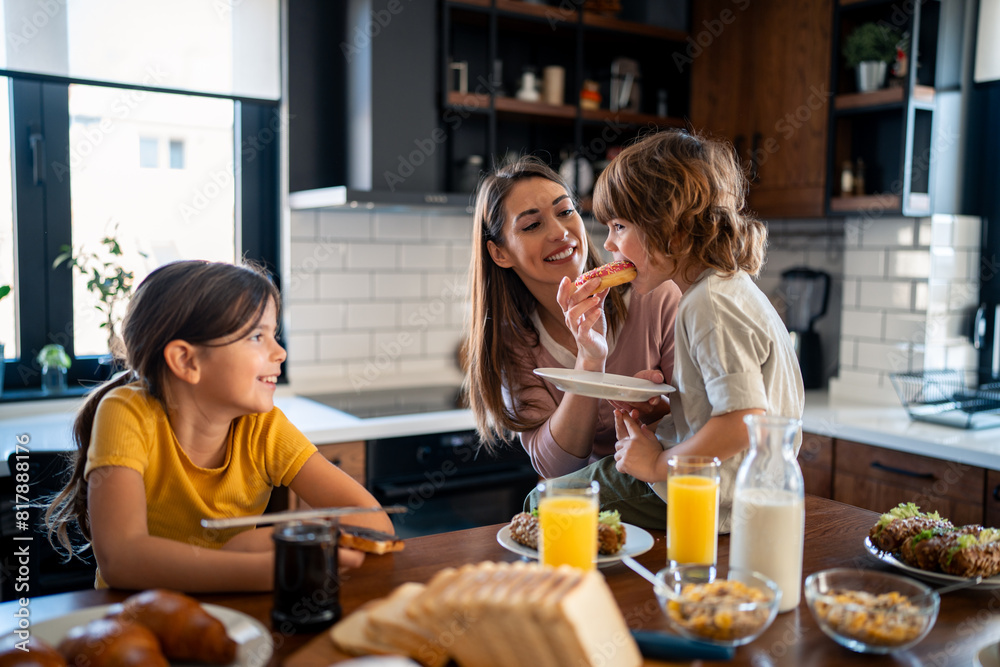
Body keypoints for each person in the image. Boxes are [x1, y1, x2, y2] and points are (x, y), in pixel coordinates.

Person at [45, 260, 392, 592]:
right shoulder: (126, 413)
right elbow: (122, 559)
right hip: (134, 617)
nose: (280, 352)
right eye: (257, 337)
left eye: (274, 334)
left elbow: (374, 525)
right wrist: (267, 568)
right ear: (186, 360)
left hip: (232, 606)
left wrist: (259, 540)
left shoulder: (264, 427)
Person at [574, 129, 804, 532]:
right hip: (732, 491)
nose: (608, 243)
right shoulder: (725, 289)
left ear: (674, 231)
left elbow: (743, 420)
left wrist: (658, 463)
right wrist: (669, 411)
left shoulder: (707, 304)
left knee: (543, 503)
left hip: (713, 501)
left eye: (620, 226)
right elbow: (726, 407)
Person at [462, 156, 682, 527]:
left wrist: (659, 414)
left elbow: (705, 420)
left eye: (566, 212)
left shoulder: (657, 295)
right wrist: (590, 360)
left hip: (666, 493)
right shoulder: (511, 343)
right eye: (532, 224)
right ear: (500, 253)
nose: (560, 232)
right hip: (581, 517)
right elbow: (557, 466)